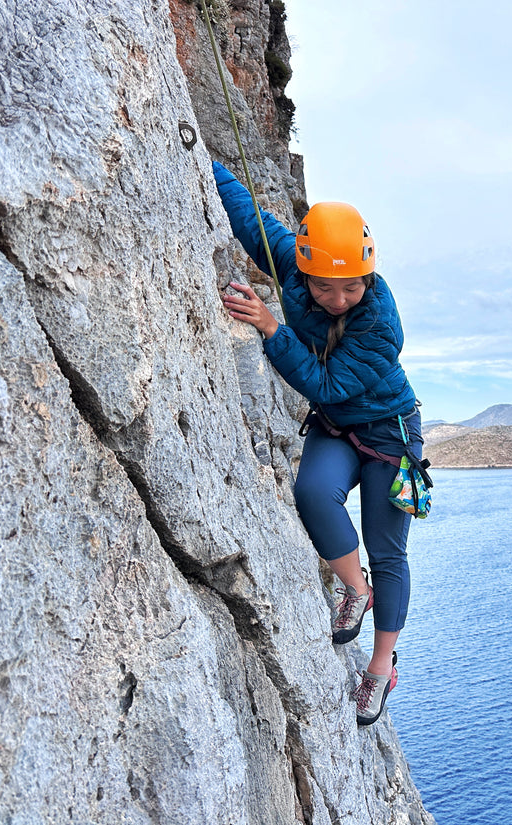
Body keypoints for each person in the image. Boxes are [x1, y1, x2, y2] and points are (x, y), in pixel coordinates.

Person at [212, 161, 423, 726]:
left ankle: (381, 667)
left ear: (368, 277)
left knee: (388, 551)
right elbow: (253, 221)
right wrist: (199, 157)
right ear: (304, 270)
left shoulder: (380, 325)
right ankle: (356, 590)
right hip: (337, 427)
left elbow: (326, 383)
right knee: (312, 492)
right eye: (323, 286)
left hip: (389, 435)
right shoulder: (297, 262)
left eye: (349, 286)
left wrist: (271, 328)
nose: (335, 298)